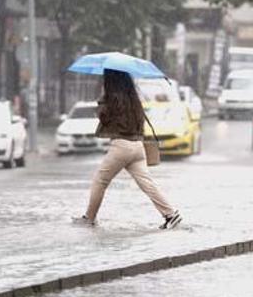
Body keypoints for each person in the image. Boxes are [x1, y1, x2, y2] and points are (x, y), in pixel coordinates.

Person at [73, 69, 182, 229]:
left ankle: (89, 218)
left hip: (121, 146)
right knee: (147, 183)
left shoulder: (112, 99)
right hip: (138, 147)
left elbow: (103, 117)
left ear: (111, 81)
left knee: (100, 180)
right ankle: (171, 214)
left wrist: (102, 99)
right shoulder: (134, 99)